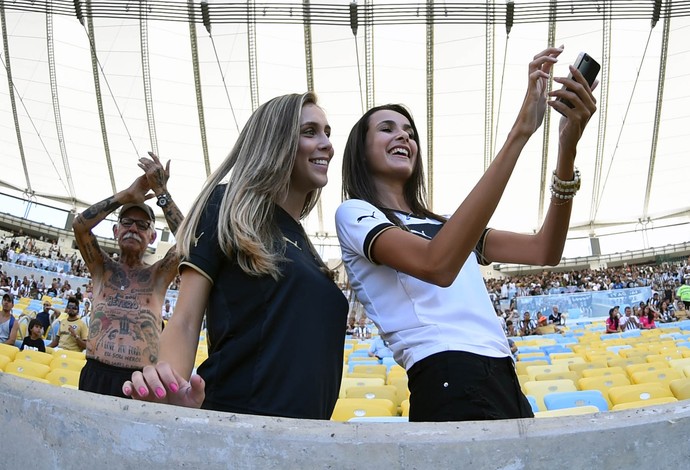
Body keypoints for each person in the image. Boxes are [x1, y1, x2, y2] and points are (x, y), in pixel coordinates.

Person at [336, 46, 597, 422]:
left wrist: (566, 149)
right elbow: (437, 265)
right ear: (360, 152)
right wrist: (519, 133)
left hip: (502, 372)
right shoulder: (354, 213)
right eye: (387, 129)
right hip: (445, 373)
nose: (404, 137)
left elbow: (545, 250)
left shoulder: (448, 225)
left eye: (409, 132)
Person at [124, 93, 348, 420]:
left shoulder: (306, 248)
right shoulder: (226, 205)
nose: (327, 143)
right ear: (275, 140)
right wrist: (167, 396)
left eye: (327, 132)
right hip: (238, 427)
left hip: (306, 441)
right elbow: (186, 320)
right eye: (310, 131)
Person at [72, 152, 184, 398]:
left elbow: (189, 243)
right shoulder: (101, 268)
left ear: (152, 237)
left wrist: (162, 193)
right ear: (116, 230)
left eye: (143, 225)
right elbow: (80, 225)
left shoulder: (159, 275)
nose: (133, 228)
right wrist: (126, 195)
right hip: (95, 375)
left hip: (140, 380)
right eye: (127, 222)